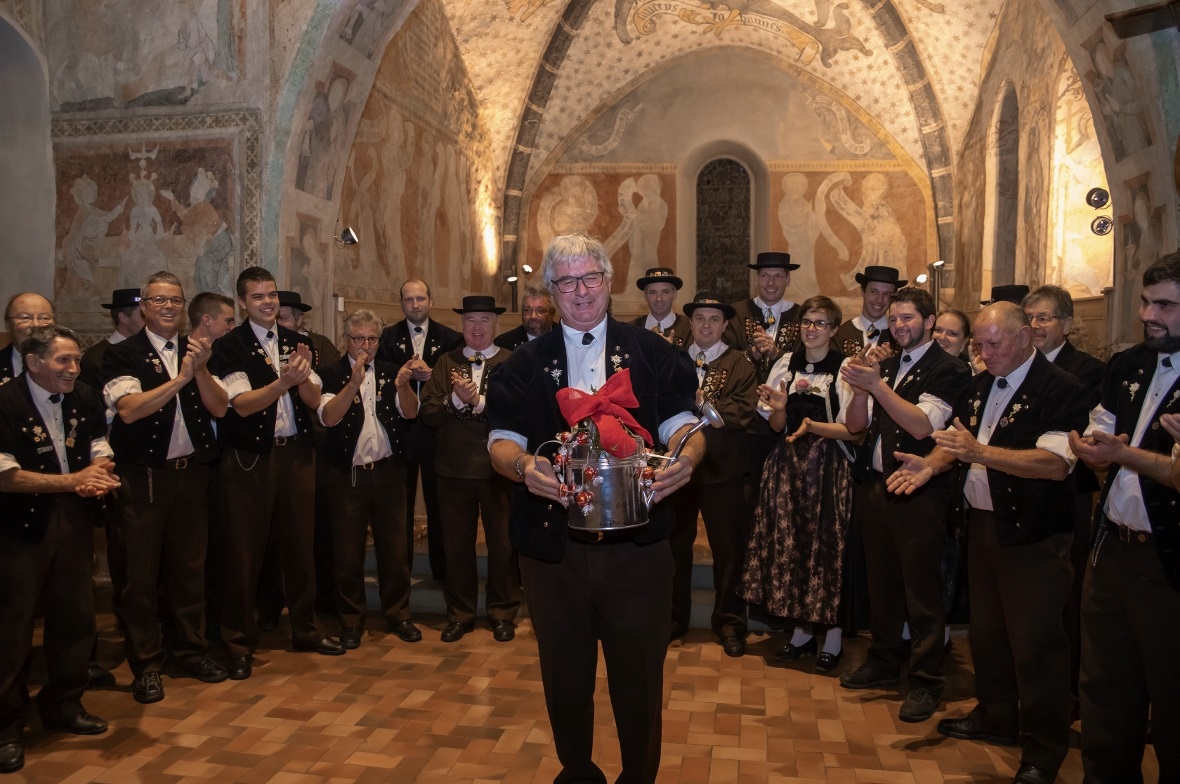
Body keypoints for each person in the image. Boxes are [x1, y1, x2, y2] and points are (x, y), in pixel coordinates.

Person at [486, 233, 703, 784]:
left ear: (608, 281)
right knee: (564, 675)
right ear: (550, 291)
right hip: (553, 553)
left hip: (639, 551)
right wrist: (523, 467)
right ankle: (578, 772)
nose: (580, 292)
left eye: (590, 278)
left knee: (640, 677)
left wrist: (687, 458)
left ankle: (638, 775)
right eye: (567, 282)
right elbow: (501, 442)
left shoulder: (653, 353)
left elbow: (684, 425)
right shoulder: (523, 363)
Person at [887, 302, 1089, 784]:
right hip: (981, 526)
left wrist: (981, 452)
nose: (984, 352)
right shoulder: (980, 385)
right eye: (979, 344)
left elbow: (1055, 465)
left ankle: (1043, 749)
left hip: (1033, 535)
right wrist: (930, 465)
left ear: (1025, 338)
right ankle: (996, 715)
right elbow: (959, 443)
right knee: (988, 634)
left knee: (1036, 644)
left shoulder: (1061, 388)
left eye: (993, 344)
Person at [1067, 252, 1180, 784]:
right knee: (1106, 692)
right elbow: (1103, 434)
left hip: (1168, 562)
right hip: (1111, 549)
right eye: (1145, 302)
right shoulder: (1128, 365)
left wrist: (1123, 454)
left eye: (1166, 306)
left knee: (1172, 699)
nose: (1148, 315)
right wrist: (1091, 452)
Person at [838, 286, 970, 723]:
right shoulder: (889, 365)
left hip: (920, 491)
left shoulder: (949, 369)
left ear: (929, 321)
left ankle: (926, 679)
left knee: (922, 590)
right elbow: (856, 426)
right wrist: (861, 390)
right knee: (882, 583)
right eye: (894, 319)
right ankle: (883, 659)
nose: (898, 326)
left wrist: (877, 385)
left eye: (908, 318)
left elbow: (921, 426)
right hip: (877, 486)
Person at [207, 266, 344, 681]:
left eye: (271, 295)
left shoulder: (296, 340)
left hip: (297, 454)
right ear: (242, 303)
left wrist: (302, 379)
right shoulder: (229, 345)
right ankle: (237, 642)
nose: (267, 303)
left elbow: (315, 399)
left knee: (301, 546)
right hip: (252, 459)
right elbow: (242, 404)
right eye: (258, 297)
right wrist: (283, 382)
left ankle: (305, 629)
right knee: (245, 553)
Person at [102, 272, 229, 704]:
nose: (169, 307)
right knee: (140, 576)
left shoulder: (197, 350)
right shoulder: (123, 354)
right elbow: (129, 411)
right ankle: (146, 665)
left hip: (191, 474)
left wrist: (201, 368)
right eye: (159, 300)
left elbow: (219, 408)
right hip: (144, 478)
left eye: (175, 300)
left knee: (189, 570)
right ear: (143, 307)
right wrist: (180, 378)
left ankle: (190, 651)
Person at [0, 325, 121, 774]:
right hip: (19, 528)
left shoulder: (84, 397)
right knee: (12, 628)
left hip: (74, 521)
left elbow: (100, 446)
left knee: (75, 616)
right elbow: (6, 475)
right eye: (63, 361)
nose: (73, 369)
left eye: (76, 360)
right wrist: (72, 481)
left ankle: (64, 704)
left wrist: (98, 471)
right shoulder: (5, 402)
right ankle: (6, 725)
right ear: (34, 363)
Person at [741, 296, 861, 673]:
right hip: (788, 467)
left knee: (826, 550)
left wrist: (812, 426)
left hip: (828, 468)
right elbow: (778, 426)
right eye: (807, 321)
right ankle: (801, 633)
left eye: (821, 323)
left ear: (834, 329)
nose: (812, 329)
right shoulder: (785, 364)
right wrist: (780, 408)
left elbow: (855, 430)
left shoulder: (845, 369)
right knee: (792, 547)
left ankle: (833, 638)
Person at [1022, 284, 1106, 709]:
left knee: (1064, 594)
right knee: (1026, 596)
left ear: (1067, 325)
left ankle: (1067, 692)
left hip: (1067, 492)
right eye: (1029, 318)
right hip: (1020, 490)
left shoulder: (1087, 370)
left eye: (1044, 317)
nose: (1035, 325)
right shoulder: (1015, 365)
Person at [317, 309, 422, 648]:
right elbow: (328, 418)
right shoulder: (330, 373)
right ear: (345, 339)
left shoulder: (391, 371)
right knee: (347, 552)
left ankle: (398, 614)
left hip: (389, 471)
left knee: (395, 550)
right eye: (359, 338)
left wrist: (403, 386)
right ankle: (351, 620)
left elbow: (411, 412)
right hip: (348, 476)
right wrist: (352, 383)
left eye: (372, 339)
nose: (366, 345)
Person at [421, 296, 520, 643]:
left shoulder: (511, 361)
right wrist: (454, 399)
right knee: (456, 547)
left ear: (496, 324)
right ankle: (460, 614)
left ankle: (502, 612)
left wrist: (478, 401)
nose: (477, 327)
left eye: (484, 320)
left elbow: (518, 410)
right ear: (462, 326)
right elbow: (428, 413)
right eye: (470, 321)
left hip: (499, 470)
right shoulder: (445, 362)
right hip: (453, 469)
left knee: (502, 545)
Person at [670, 292, 757, 654]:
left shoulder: (740, 364)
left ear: (724, 325)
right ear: (690, 323)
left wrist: (701, 402)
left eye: (714, 319)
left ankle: (730, 624)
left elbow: (741, 412)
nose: (706, 325)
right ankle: (673, 620)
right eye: (700, 318)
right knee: (675, 546)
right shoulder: (673, 359)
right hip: (678, 468)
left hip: (724, 468)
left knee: (729, 549)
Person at [376, 279, 463, 581]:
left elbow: (458, 380)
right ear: (401, 303)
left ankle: (442, 569)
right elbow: (380, 380)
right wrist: (402, 375)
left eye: (420, 298)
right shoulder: (387, 337)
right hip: (399, 430)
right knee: (399, 504)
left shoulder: (450, 338)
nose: (415, 304)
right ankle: (401, 569)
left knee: (439, 502)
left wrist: (432, 375)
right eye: (409, 299)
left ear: (431, 300)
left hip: (436, 430)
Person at [723, 251, 802, 382]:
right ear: (756, 279)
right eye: (765, 275)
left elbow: (808, 360)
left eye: (778, 276)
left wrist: (777, 355)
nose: (771, 283)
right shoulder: (735, 314)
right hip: (744, 392)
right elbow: (723, 358)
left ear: (788, 280)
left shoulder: (801, 317)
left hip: (786, 392)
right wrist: (753, 353)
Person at [79, 289, 144, 392]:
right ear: (123, 317)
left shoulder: (151, 351)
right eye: (143, 315)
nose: (151, 320)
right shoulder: (95, 357)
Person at [832, 266, 904, 357]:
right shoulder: (841, 333)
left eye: (886, 294)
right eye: (874, 292)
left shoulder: (901, 335)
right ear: (863, 292)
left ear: (892, 298)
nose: (879, 300)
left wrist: (889, 363)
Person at [1, 293, 55, 386]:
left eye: (44, 318)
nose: (36, 324)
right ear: (8, 324)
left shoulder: (72, 367)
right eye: (25, 317)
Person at [628, 267, 691, 348]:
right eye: (653, 292)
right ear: (645, 296)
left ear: (674, 295)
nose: (659, 298)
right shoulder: (631, 329)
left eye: (665, 292)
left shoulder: (689, 329)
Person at [276, 291, 339, 370]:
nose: (277, 324)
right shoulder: (264, 343)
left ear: (299, 319)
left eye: (282, 318)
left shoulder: (321, 345)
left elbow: (335, 373)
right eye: (273, 319)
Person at [495, 285, 555, 350]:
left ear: (552, 313)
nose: (533, 316)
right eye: (527, 310)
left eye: (540, 311)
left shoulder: (562, 337)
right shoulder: (504, 343)